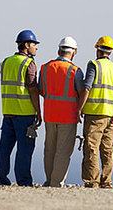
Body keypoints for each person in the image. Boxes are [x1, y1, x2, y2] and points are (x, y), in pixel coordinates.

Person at [0, 29, 42, 187]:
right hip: (24, 113)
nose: (36, 47)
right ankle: (23, 181)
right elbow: (33, 88)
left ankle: (2, 178)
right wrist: (39, 112)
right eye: (34, 44)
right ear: (27, 45)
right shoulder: (28, 64)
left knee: (5, 148)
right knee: (25, 149)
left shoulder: (6, 62)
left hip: (8, 111)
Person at [77, 36, 113, 188]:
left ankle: (92, 181)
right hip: (110, 115)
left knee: (91, 147)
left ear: (98, 49)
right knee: (107, 149)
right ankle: (107, 181)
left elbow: (86, 88)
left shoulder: (94, 65)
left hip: (95, 113)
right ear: (110, 51)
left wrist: (79, 108)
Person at [38, 36, 84, 187]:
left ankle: (49, 179)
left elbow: (41, 90)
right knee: (62, 151)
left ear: (59, 50)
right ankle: (56, 182)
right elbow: (80, 92)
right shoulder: (75, 71)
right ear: (74, 52)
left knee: (49, 149)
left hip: (50, 115)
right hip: (68, 117)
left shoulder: (45, 67)